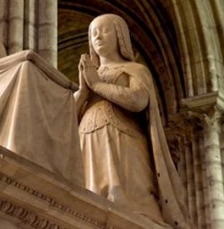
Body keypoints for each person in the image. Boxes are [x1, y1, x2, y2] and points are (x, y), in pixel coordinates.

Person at [74, 14, 190, 228]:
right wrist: (83, 89)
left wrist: (97, 86)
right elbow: (68, 118)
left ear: (120, 35)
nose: (98, 36)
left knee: (128, 198)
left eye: (105, 30)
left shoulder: (135, 70)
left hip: (123, 139)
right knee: (91, 196)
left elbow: (138, 100)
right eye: (93, 33)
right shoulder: (91, 74)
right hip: (88, 140)